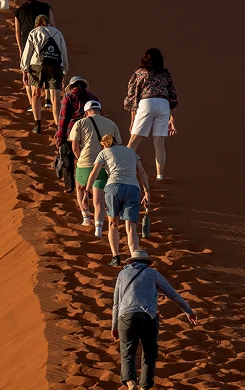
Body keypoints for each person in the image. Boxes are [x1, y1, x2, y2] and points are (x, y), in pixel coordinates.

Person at [111, 249, 199, 390]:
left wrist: (114, 325)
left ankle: (131, 383)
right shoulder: (152, 273)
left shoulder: (122, 275)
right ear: (147, 262)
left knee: (127, 353)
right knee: (149, 352)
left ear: (131, 261)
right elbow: (173, 294)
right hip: (148, 317)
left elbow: (116, 303)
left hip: (125, 317)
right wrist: (188, 312)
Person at [86, 134, 150, 266]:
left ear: (104, 143)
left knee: (112, 223)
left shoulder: (104, 152)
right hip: (133, 188)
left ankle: (116, 257)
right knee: (131, 226)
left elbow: (94, 172)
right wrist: (147, 192)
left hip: (113, 187)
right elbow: (142, 172)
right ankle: (134, 257)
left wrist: (87, 191)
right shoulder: (131, 152)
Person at [123, 48, 178, 180]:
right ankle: (160, 175)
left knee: (134, 140)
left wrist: (132, 120)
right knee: (159, 143)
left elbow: (133, 97)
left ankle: (123, 168)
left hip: (146, 104)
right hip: (163, 104)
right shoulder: (165, 73)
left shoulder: (139, 73)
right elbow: (173, 96)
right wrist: (173, 119)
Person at [69, 100, 122, 228]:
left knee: (80, 188)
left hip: (85, 163)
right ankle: (98, 227)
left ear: (86, 112)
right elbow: (118, 146)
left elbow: (75, 147)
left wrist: (80, 159)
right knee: (99, 198)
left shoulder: (80, 123)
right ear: (100, 111)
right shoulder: (111, 124)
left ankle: (86, 218)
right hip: (105, 165)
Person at [19, 14, 67, 134]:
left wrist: (24, 70)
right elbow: (63, 52)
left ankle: (37, 124)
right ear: (48, 23)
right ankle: (58, 127)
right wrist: (64, 71)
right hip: (56, 67)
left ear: (37, 24)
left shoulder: (34, 32)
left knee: (36, 94)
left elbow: (27, 52)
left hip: (37, 66)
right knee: (56, 98)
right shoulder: (57, 33)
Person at [13, 0, 56, 111]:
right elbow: (52, 24)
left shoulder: (19, 10)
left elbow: (17, 31)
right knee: (47, 68)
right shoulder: (46, 7)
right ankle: (48, 99)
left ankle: (32, 103)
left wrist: (20, 49)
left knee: (27, 72)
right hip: (45, 40)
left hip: (27, 43)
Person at [55, 76, 97, 146]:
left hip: (72, 133)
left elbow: (63, 118)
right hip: (91, 132)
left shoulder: (68, 97)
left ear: (71, 87)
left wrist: (60, 137)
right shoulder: (93, 97)